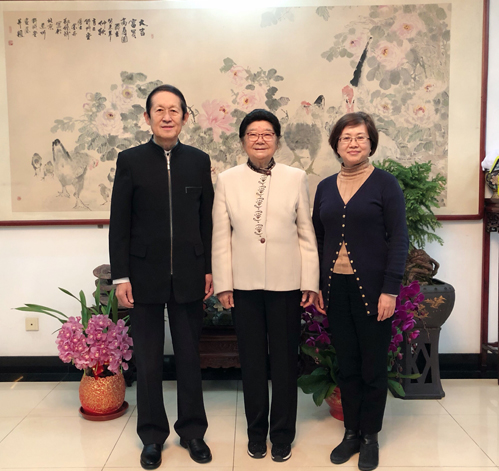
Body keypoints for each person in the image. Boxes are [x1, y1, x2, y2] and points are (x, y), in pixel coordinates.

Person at [109, 85, 214, 470]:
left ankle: (192, 431)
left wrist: (209, 268)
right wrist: (121, 276)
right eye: (159, 110)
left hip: (189, 272)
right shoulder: (130, 161)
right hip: (143, 275)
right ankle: (152, 436)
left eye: (174, 110)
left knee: (189, 357)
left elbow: (207, 220)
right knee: (149, 360)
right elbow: (119, 224)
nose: (167, 116)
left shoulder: (198, 161)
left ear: (185, 117)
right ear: (147, 117)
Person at [212, 109, 319, 463]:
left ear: (277, 140)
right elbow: (221, 237)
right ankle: (256, 433)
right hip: (243, 285)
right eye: (253, 134)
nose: (260, 139)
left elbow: (306, 233)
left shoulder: (296, 177)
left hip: (287, 284)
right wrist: (224, 283)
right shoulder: (227, 180)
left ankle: (283, 434)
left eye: (267, 134)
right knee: (253, 362)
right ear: (243, 140)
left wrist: (310, 280)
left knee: (286, 362)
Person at [312, 112, 408, 471]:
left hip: (373, 289)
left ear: (371, 144)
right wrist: (319, 285)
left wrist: (390, 290)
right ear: (336, 145)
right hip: (336, 290)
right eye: (346, 138)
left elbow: (399, 238)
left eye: (360, 138)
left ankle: (370, 437)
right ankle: (351, 432)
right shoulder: (324, 187)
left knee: (373, 367)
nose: (353, 144)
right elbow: (318, 238)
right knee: (348, 364)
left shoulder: (385, 184)